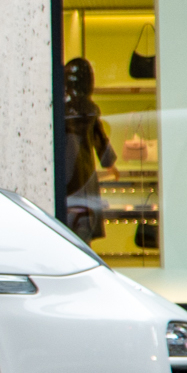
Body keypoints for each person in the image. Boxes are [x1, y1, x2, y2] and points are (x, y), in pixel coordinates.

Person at [60, 57, 116, 241]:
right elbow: (99, 139)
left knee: (69, 225)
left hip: (67, 176)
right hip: (85, 176)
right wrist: (110, 164)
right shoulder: (90, 110)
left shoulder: (62, 110)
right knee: (85, 226)